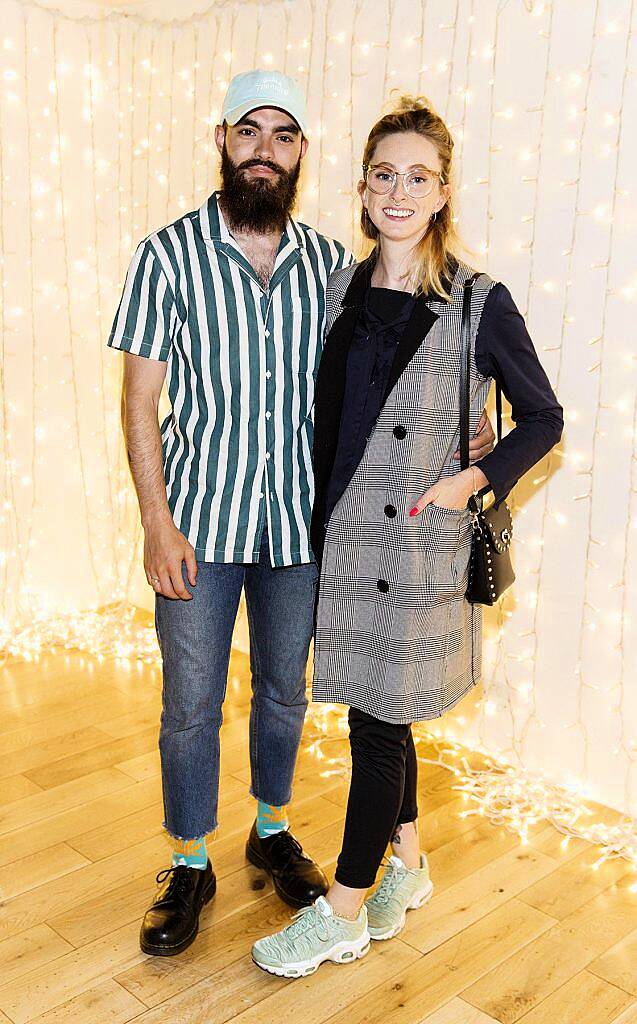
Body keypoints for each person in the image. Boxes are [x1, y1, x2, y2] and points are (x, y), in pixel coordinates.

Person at [109, 71, 493, 958]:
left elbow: (407, 352)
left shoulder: (331, 265)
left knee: (286, 694)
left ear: (302, 157)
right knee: (190, 703)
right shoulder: (164, 257)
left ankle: (272, 830)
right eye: (252, 131)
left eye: (284, 136)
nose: (265, 149)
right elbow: (138, 402)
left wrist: (471, 427)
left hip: (302, 529)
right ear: (222, 139)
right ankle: (190, 859)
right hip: (197, 527)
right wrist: (155, 522)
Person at [252, 94, 564, 979]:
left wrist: (472, 474)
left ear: (441, 192)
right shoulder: (337, 287)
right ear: (360, 189)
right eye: (384, 174)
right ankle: (412, 867)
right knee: (374, 714)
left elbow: (542, 419)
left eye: (417, 176)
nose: (399, 189)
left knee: (378, 729)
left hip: (418, 544)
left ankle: (343, 911)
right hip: (343, 536)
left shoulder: (477, 302)